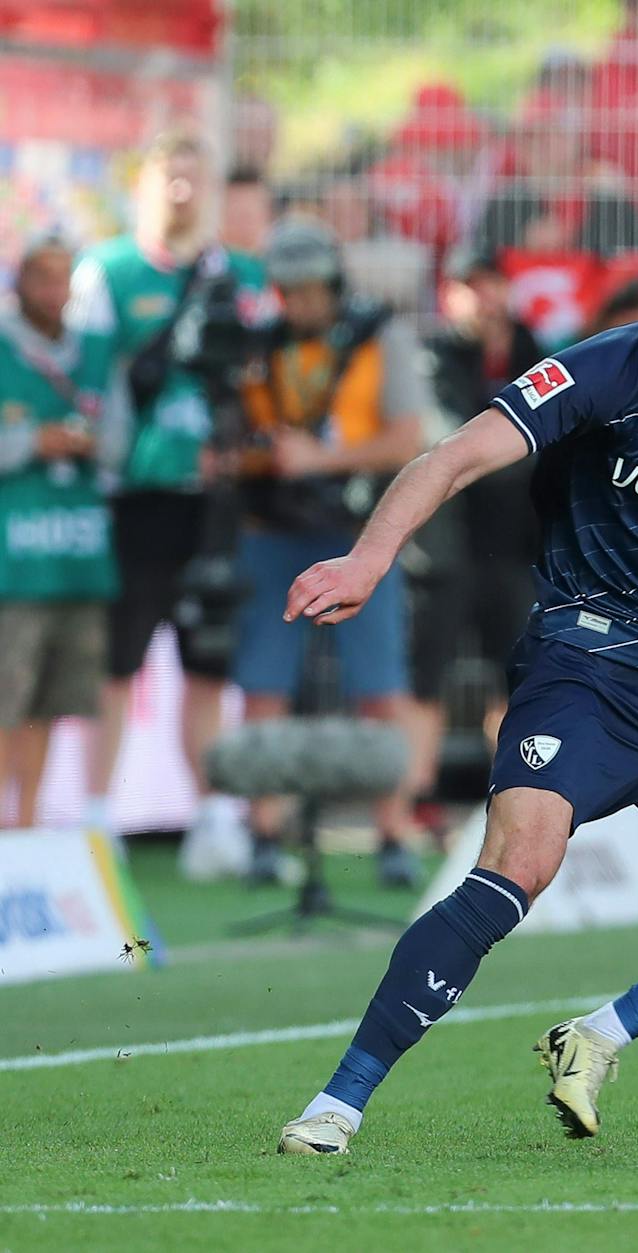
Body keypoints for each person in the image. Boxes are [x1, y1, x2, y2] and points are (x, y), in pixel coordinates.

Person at [274, 194, 638, 1156]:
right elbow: (456, 456)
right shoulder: (611, 368)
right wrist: (367, 559)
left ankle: (599, 1034)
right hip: (581, 665)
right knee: (518, 865)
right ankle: (336, 1105)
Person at [67, 131, 269, 844]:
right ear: (143, 186)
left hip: (216, 501)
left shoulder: (243, 275)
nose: (182, 191)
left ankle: (214, 817)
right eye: (169, 178)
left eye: (194, 177)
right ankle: (97, 817)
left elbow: (264, 387)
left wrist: (248, 453)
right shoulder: (107, 271)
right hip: (137, 495)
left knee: (208, 661)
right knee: (118, 660)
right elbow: (85, 386)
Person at [232, 217, 427, 886]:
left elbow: (407, 439)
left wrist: (323, 458)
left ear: (335, 285)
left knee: (378, 684)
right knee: (263, 683)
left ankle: (393, 831)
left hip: (360, 533)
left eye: (310, 290)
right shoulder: (257, 346)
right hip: (273, 527)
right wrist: (262, 457)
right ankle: (262, 829)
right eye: (286, 292)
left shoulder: (380, 336)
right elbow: (234, 439)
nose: (298, 304)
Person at [0, 232, 115, 828]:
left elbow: (120, 442)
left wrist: (90, 443)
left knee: (49, 702)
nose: (54, 290)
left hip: (75, 555)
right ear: (19, 283)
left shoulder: (95, 352)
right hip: (12, 562)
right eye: (42, 277)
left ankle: (28, 822)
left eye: (63, 277)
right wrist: (31, 443)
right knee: (6, 700)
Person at [416, 245, 546, 764]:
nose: (483, 299)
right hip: (445, 550)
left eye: (491, 283)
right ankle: (409, 811)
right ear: (448, 297)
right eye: (469, 287)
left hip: (517, 547)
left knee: (519, 682)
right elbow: (446, 442)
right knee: (424, 681)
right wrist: (521, 451)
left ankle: (511, 793)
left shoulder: (538, 355)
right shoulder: (433, 357)